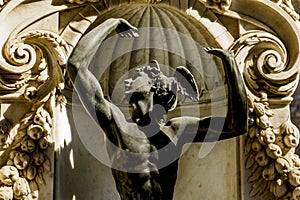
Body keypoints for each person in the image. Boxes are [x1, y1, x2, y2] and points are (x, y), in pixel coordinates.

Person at [67, 18, 248, 200]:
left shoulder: (176, 130)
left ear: (154, 86)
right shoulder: (117, 124)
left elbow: (236, 125)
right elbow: (76, 65)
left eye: (138, 74)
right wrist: (112, 22)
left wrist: (230, 64)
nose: (129, 78)